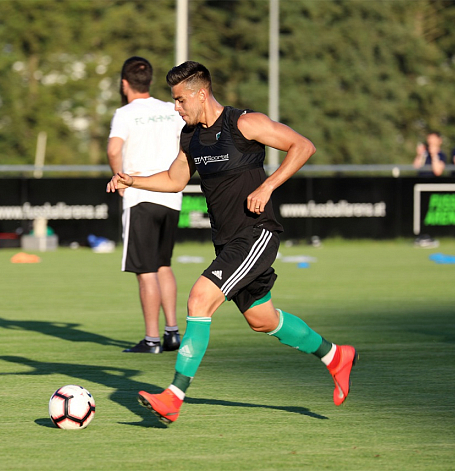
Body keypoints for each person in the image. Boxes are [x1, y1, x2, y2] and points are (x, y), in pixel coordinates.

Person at [106, 61, 358, 424]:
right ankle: (335, 356)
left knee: (199, 299)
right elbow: (175, 180)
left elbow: (303, 146)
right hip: (227, 243)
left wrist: (267, 186)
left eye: (180, 100)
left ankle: (174, 396)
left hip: (256, 234)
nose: (176, 108)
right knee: (262, 319)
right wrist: (133, 180)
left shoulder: (244, 123)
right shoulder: (189, 136)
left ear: (200, 94)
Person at [107, 56, 184, 354]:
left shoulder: (125, 113)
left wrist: (120, 178)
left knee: (146, 269)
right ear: (150, 81)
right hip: (170, 194)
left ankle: (151, 340)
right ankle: (172, 333)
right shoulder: (169, 109)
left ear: (124, 83)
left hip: (140, 195)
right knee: (163, 265)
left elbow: (114, 149)